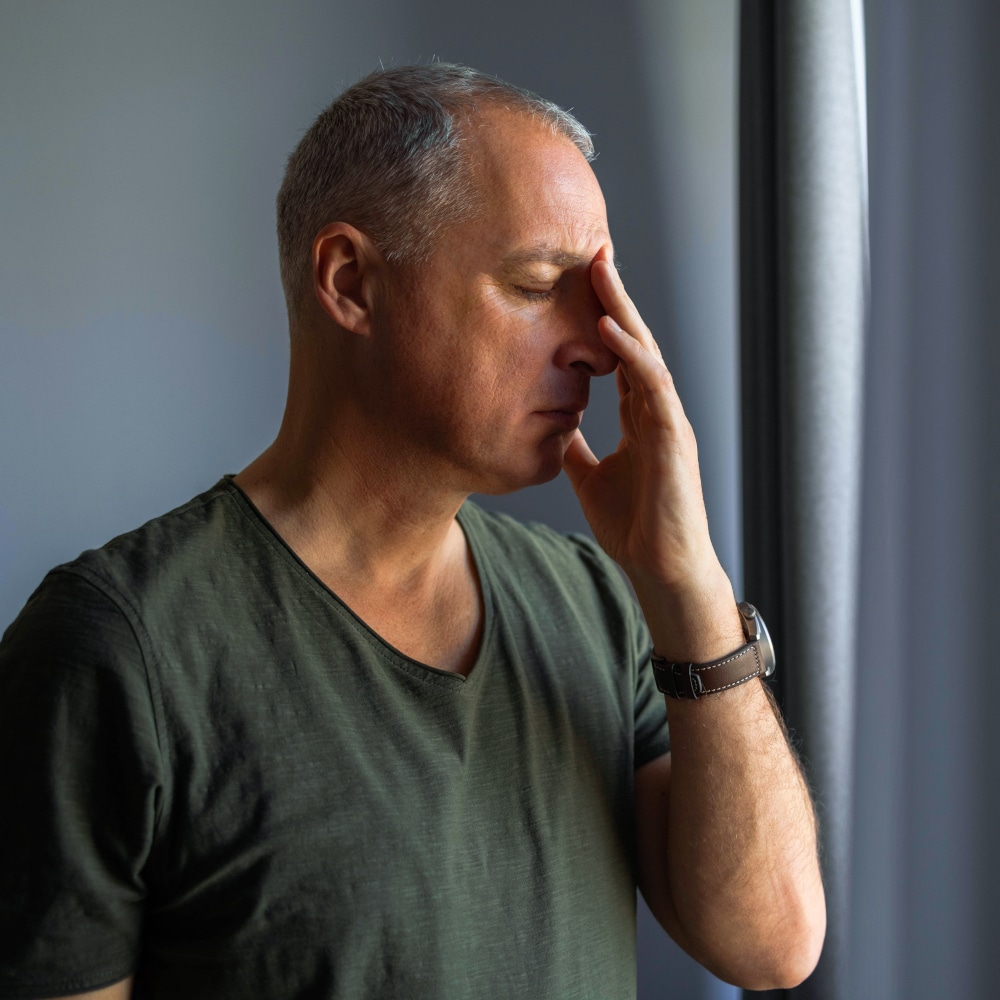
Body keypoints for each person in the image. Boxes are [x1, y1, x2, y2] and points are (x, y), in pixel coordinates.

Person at [0, 64, 825, 998]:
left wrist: (690, 588)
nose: (598, 345)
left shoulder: (598, 605)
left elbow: (772, 945)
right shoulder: (118, 649)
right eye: (536, 284)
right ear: (351, 282)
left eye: (594, 292)